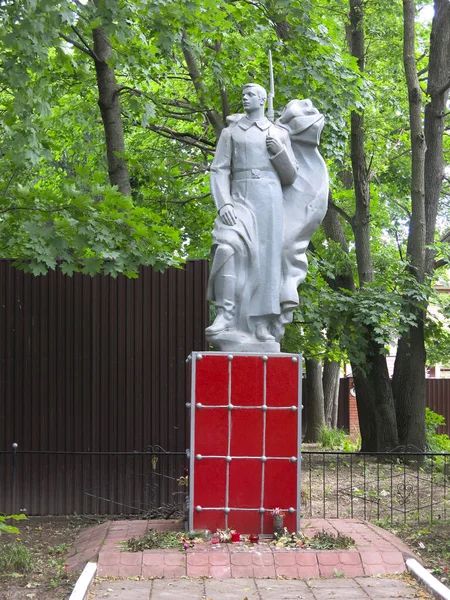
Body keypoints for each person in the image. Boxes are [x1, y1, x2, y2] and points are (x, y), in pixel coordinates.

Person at [205, 83, 298, 350]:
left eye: (249, 95)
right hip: (240, 197)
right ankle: (225, 314)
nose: (244, 99)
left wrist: (278, 151)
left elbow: (291, 175)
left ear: (262, 99)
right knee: (226, 248)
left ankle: (260, 323)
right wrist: (223, 204)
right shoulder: (230, 132)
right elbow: (219, 169)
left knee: (267, 262)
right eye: (242, 95)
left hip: (269, 199)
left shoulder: (278, 132)